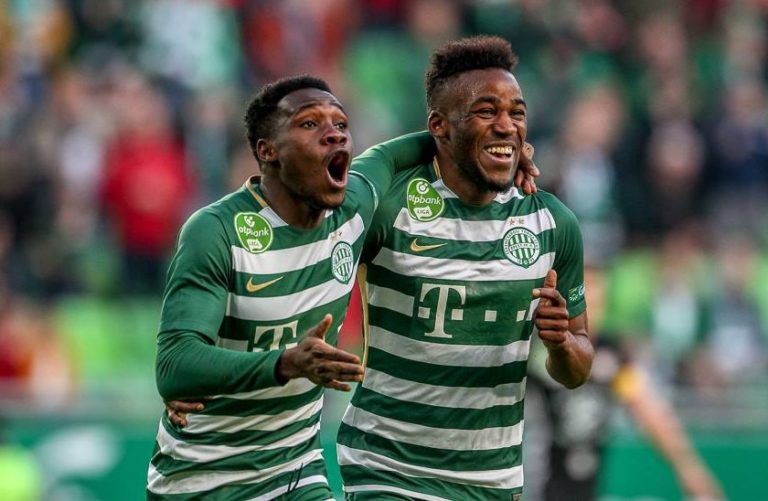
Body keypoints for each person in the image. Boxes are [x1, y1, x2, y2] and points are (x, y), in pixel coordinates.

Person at [150, 73, 542, 499]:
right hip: (205, 478)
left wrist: (497, 152)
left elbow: (412, 148)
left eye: (341, 124)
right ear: (268, 150)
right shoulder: (216, 230)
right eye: (310, 124)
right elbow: (176, 365)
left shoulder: (353, 208)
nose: (334, 134)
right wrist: (285, 363)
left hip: (296, 471)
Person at [335, 36, 594, 500]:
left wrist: (560, 345)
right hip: (388, 469)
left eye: (516, 113)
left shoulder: (552, 223)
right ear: (439, 125)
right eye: (486, 112)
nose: (507, 126)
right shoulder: (393, 206)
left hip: (492, 480)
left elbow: (578, 369)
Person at [524, 266, 724, 501]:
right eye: (583, 302)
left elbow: (647, 408)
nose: (591, 313)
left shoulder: (612, 355)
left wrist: (689, 469)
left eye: (598, 303)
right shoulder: (535, 351)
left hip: (584, 487)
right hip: (535, 486)